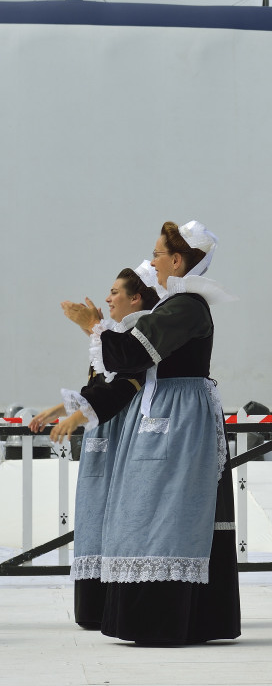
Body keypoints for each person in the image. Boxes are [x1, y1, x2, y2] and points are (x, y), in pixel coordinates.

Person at [66, 220, 240, 645]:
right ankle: (172, 617)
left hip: (178, 419)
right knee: (153, 510)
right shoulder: (175, 305)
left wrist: (94, 326)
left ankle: (163, 620)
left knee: (166, 512)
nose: (153, 261)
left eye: (158, 254)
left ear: (178, 260)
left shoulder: (187, 306)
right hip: (167, 412)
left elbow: (129, 356)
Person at [30, 264, 160, 629]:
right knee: (94, 511)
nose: (108, 298)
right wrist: (59, 410)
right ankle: (95, 604)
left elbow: (122, 386)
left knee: (119, 514)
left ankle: (112, 603)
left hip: (122, 434)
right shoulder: (114, 337)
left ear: (136, 298)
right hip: (101, 433)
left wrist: (93, 328)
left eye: (115, 291)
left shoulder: (138, 335)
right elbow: (96, 387)